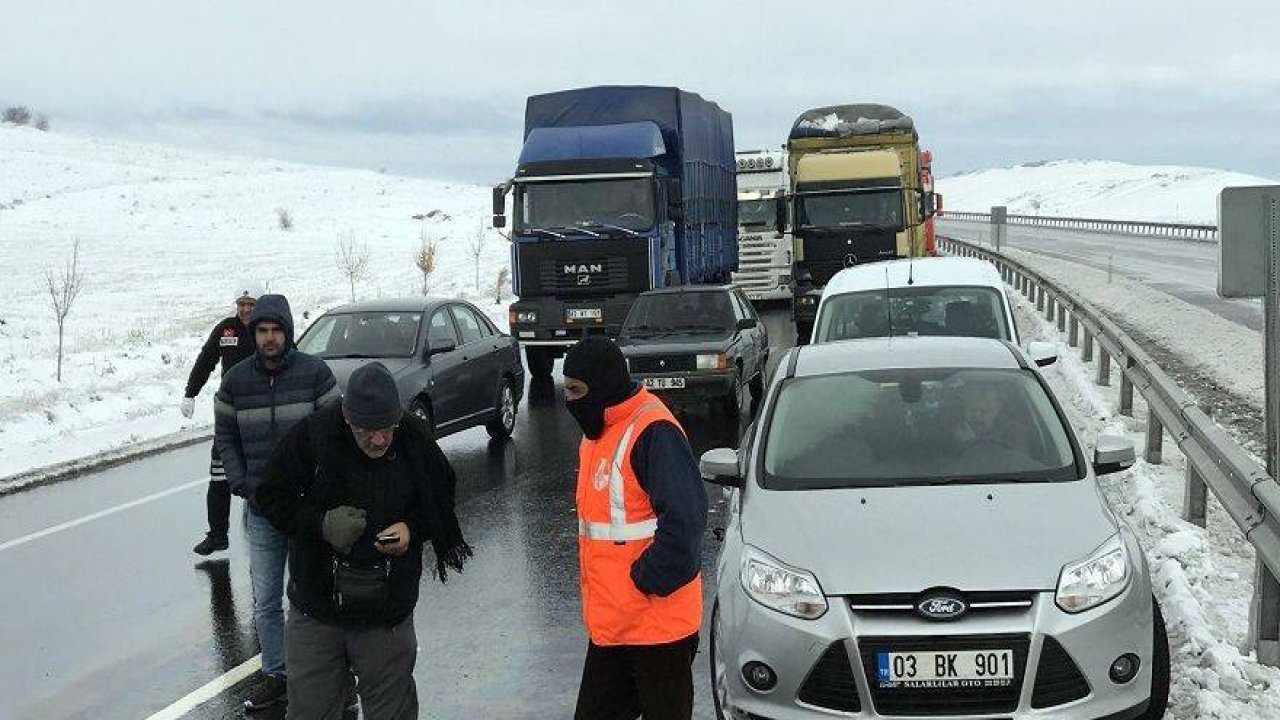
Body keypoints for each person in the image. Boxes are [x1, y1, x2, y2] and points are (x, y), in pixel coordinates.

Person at [255, 362, 471, 720]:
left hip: (386, 614)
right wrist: (321, 524)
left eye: (386, 428)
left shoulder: (412, 437)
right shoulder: (314, 437)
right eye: (367, 430)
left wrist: (412, 528)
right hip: (318, 610)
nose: (379, 439)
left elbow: (441, 495)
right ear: (346, 417)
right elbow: (271, 496)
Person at [562, 337, 708, 720]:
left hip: (659, 628)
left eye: (576, 391)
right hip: (613, 626)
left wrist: (645, 580)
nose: (570, 401)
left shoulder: (652, 431)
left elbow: (687, 523)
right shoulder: (598, 431)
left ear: (603, 387)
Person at [215, 294, 339, 713]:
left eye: (276, 330)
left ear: (287, 332)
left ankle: (334, 679)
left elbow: (334, 436)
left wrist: (320, 488)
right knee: (266, 600)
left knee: (317, 594)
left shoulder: (315, 376)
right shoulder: (235, 382)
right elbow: (226, 438)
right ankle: (276, 674)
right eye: (262, 331)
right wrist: (239, 482)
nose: (269, 338)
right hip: (262, 512)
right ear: (255, 334)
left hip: (307, 512)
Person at [183, 281, 264, 556]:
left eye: (251, 305)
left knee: (261, 475)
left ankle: (268, 534)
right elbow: (206, 360)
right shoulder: (225, 329)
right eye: (241, 305)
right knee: (219, 476)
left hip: (260, 414)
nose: (245, 310)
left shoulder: (268, 329)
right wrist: (190, 393)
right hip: (229, 414)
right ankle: (217, 535)